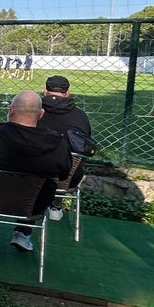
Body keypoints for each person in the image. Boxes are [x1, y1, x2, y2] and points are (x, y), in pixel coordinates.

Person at [0, 90, 71, 251]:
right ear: (41, 114)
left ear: (11, 110)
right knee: (45, 184)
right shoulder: (58, 144)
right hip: (34, 205)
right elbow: (64, 173)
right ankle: (23, 233)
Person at [36, 75, 92, 221]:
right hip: (68, 178)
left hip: (33, 175)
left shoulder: (31, 111)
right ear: (67, 93)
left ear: (45, 91)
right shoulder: (81, 116)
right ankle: (56, 205)